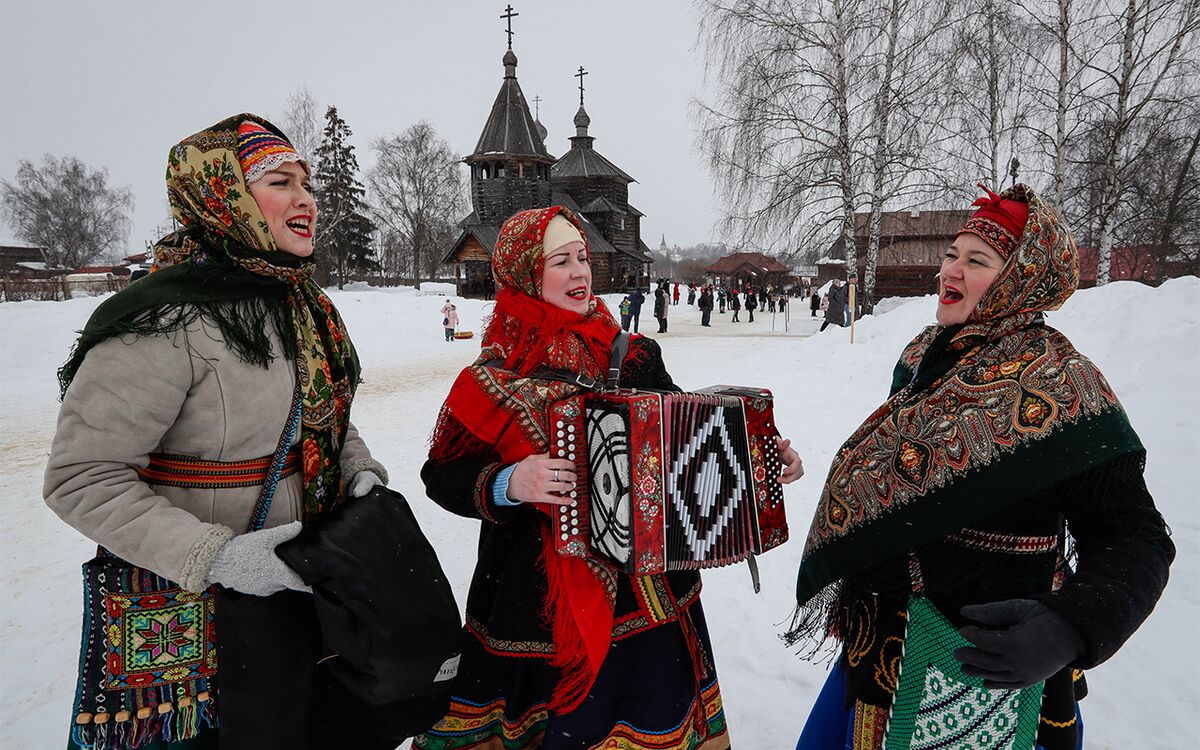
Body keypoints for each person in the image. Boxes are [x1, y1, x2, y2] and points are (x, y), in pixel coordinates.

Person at [44, 115, 395, 749]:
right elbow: (81, 477)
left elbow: (322, 419)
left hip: (293, 588)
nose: (306, 199)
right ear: (223, 194)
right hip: (187, 612)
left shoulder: (298, 304)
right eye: (280, 182)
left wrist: (357, 469)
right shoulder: (161, 318)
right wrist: (219, 556)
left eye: (307, 183)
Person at [791, 184, 1174, 750]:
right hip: (879, 660)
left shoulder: (1065, 387)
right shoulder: (925, 357)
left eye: (977, 260)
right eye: (952, 254)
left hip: (985, 674)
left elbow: (1136, 538)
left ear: (1019, 280)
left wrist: (1069, 626)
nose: (952, 269)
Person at [415, 206, 804, 750]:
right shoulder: (490, 378)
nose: (579, 273)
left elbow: (687, 433)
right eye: (560, 261)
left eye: (582, 258)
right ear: (523, 273)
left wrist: (759, 455)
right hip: (533, 612)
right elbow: (441, 475)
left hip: (648, 599)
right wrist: (510, 483)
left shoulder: (636, 355)